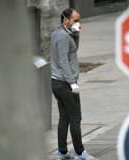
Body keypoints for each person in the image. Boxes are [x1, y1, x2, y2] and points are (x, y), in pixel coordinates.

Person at [50, 8, 90, 160]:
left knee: (65, 117)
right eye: (75, 20)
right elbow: (63, 61)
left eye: (79, 20)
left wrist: (76, 33)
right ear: (65, 19)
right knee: (75, 118)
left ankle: (62, 152)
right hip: (64, 83)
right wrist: (72, 82)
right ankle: (80, 153)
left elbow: (73, 50)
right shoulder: (63, 37)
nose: (78, 23)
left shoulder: (60, 33)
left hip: (58, 82)